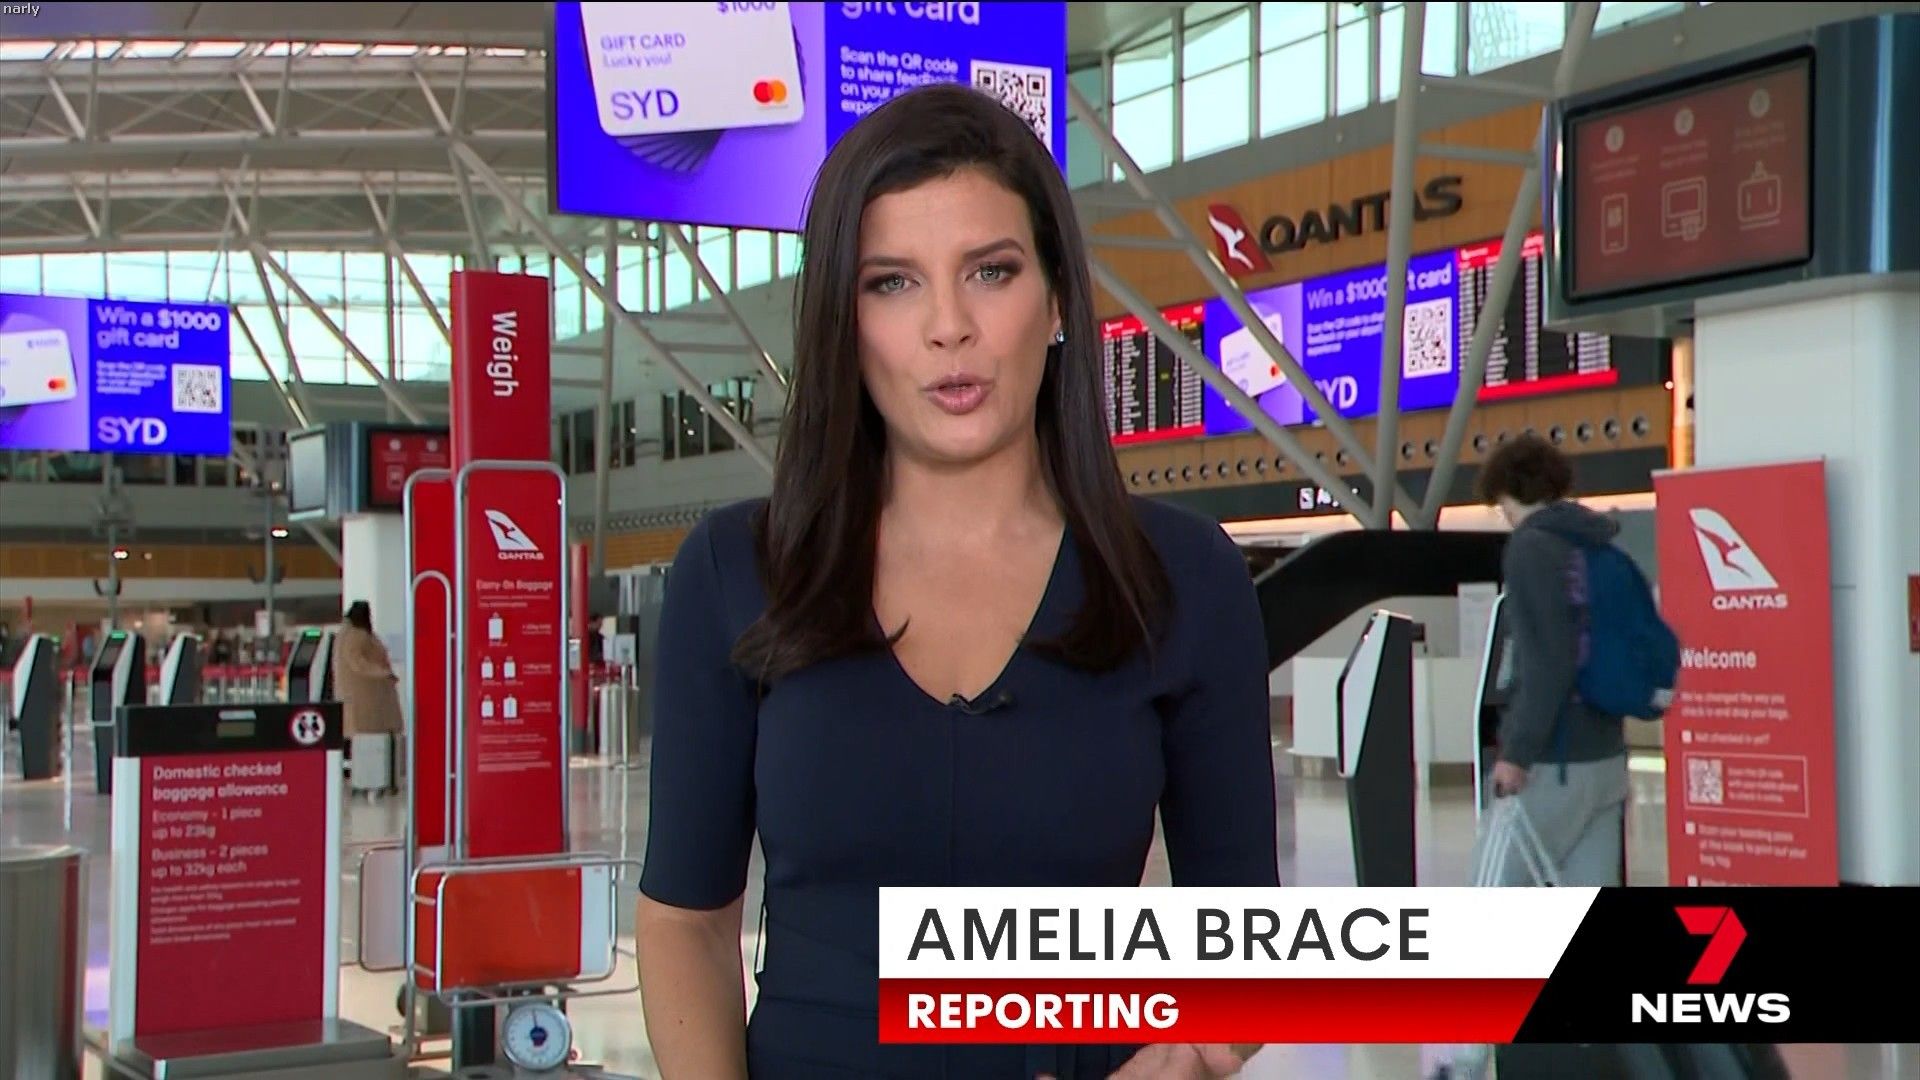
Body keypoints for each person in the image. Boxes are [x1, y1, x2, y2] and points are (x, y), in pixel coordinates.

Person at [636, 83, 1279, 1080]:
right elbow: (686, 921)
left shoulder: (1184, 579)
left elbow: (1242, 939)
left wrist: (1187, 1059)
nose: (949, 326)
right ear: (844, 322)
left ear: (1057, 299)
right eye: (893, 282)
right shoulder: (737, 570)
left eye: (991, 271)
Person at [1474, 434, 1631, 887]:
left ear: (1510, 491)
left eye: (1501, 503)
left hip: (1551, 761)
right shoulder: (1600, 545)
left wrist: (1517, 752)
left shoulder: (1532, 546)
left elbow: (1547, 662)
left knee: (1489, 896)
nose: (1502, 513)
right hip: (1606, 756)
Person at [334, 600, 402, 790]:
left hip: (359, 697)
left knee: (363, 740)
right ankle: (375, 781)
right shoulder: (357, 635)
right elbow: (358, 663)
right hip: (368, 697)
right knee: (372, 739)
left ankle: (368, 779)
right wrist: (383, 673)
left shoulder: (345, 634)